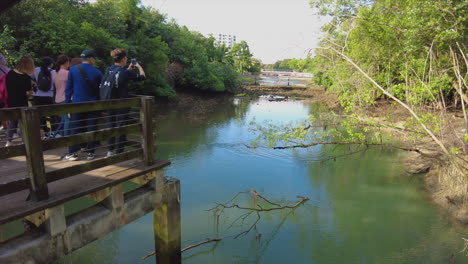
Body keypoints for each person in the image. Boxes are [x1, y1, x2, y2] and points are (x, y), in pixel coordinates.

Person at [104, 48, 145, 156]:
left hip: (109, 103)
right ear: (123, 59)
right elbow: (142, 77)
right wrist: (139, 66)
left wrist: (129, 68)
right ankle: (119, 152)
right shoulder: (125, 72)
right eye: (126, 58)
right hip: (122, 105)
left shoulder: (109, 69)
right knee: (120, 127)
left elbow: (120, 77)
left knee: (111, 125)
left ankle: (110, 150)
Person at [64, 50, 102, 161]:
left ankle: (72, 153)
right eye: (94, 58)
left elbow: (68, 89)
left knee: (74, 128)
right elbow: (100, 90)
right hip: (92, 104)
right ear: (91, 59)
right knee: (91, 128)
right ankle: (90, 152)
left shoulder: (73, 70)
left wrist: (67, 104)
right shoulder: (97, 72)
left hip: (77, 104)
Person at [5, 56, 35, 147]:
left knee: (12, 122)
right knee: (23, 123)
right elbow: (28, 92)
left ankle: (8, 141)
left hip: (10, 101)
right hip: (22, 102)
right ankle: (25, 141)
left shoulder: (10, 73)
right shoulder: (26, 77)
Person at [33, 56, 57, 138]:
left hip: (37, 96)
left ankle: (46, 133)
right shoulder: (53, 72)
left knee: (41, 116)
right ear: (50, 64)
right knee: (52, 114)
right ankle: (54, 132)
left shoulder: (36, 70)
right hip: (49, 96)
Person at [52, 55, 70, 137]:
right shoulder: (67, 73)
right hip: (64, 98)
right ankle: (66, 137)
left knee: (63, 119)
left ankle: (58, 134)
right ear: (66, 62)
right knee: (67, 119)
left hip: (57, 98)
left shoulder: (54, 73)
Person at [0, 54, 10, 133]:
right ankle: (7, 128)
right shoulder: (7, 70)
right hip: (4, 95)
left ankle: (5, 127)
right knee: (4, 111)